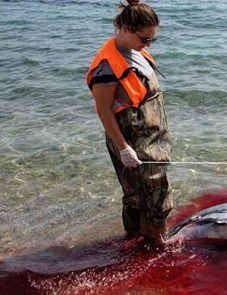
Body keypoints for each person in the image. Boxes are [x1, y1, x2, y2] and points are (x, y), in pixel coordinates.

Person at [86, 0, 173, 244]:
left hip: (152, 138)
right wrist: (124, 149)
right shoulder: (107, 68)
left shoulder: (136, 52)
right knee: (146, 196)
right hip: (132, 141)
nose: (147, 44)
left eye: (151, 40)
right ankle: (152, 243)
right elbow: (104, 111)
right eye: (144, 39)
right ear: (124, 28)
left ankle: (143, 241)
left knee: (147, 194)